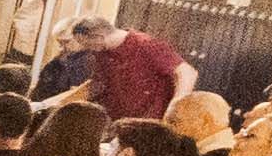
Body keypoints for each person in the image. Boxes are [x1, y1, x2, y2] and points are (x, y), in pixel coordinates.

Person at [53, 15, 195, 118]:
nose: (85, 48)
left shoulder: (145, 44)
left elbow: (187, 72)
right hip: (118, 121)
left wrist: (176, 107)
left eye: (86, 43)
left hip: (149, 122)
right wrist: (59, 104)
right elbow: (97, 85)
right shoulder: (101, 52)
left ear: (98, 37)